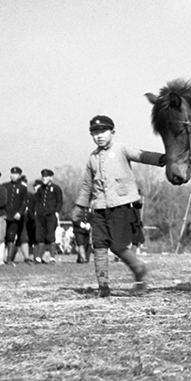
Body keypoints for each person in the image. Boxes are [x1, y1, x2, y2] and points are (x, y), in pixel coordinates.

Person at [73, 115, 166, 297]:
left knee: (117, 245)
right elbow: (87, 186)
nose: (99, 136)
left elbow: (142, 155)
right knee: (98, 244)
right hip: (99, 207)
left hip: (122, 205)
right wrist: (80, 206)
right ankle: (103, 287)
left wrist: (164, 159)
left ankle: (138, 268)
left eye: (103, 132)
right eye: (95, 133)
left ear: (112, 133)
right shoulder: (92, 158)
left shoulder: (122, 149)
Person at [34, 169, 63, 264]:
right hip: (41, 215)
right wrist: (37, 212)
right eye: (43, 177)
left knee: (50, 235)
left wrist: (57, 212)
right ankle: (38, 256)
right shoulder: (40, 189)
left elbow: (59, 201)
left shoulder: (56, 188)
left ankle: (52, 257)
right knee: (40, 236)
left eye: (46, 177)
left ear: (51, 177)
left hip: (51, 215)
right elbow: (37, 202)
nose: (44, 178)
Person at [3, 166, 29, 265]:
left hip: (15, 217)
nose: (13, 176)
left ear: (19, 176)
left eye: (16, 174)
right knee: (2, 236)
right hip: (5, 215)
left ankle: (9, 258)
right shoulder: (5, 186)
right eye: (12, 174)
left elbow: (24, 202)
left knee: (11, 236)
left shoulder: (23, 188)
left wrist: (19, 213)